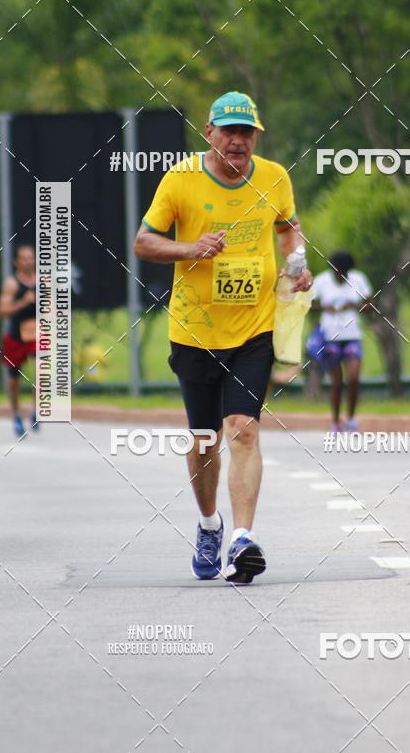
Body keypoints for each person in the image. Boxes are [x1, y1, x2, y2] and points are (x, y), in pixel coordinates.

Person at [133, 91, 312, 584]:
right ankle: (209, 523)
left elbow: (289, 229)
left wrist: (297, 265)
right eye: (229, 132)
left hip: (254, 328)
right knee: (205, 438)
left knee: (244, 428)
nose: (238, 141)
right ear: (209, 133)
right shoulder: (181, 179)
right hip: (194, 331)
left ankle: (241, 540)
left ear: (256, 136)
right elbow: (143, 242)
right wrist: (192, 248)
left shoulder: (274, 176)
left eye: (246, 132)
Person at [311, 251, 372, 432]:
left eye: (344, 273)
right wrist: (324, 307)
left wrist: (353, 306)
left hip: (352, 336)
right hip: (330, 337)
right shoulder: (321, 281)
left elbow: (371, 305)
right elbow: (308, 304)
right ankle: (336, 421)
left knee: (353, 378)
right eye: (338, 272)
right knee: (337, 382)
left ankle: (351, 418)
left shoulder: (358, 279)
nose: (341, 276)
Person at [0, 244, 38, 438]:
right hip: (15, 336)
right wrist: (24, 301)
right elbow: (2, 311)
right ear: (16, 262)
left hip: (37, 334)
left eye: (31, 257)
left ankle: (35, 410)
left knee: (42, 369)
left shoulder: (43, 282)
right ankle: (16, 415)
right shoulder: (12, 284)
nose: (29, 261)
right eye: (24, 258)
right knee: (14, 380)